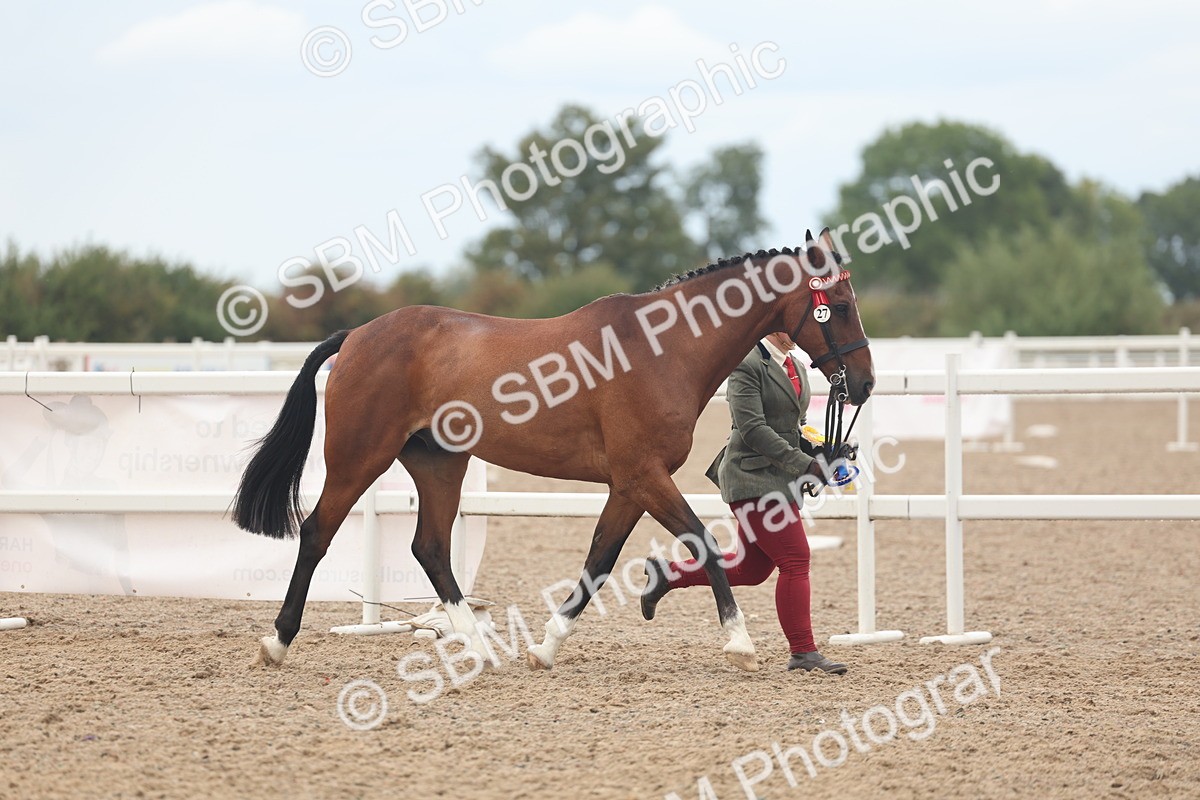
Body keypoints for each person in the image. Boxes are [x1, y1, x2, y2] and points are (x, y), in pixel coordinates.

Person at [640, 331, 847, 674]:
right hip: (752, 479)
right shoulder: (746, 364)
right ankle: (803, 652)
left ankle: (668, 574)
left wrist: (821, 452)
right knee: (796, 560)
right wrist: (804, 465)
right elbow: (752, 429)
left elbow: (795, 427)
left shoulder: (795, 365)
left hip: (780, 480)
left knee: (751, 569)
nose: (797, 334)